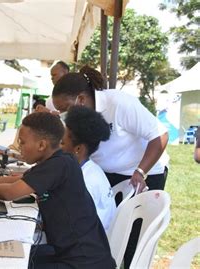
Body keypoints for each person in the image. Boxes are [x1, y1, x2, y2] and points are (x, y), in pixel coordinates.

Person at [0, 112, 115, 269]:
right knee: (18, 256)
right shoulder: (58, 161)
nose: (19, 147)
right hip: (73, 254)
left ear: (41, 145)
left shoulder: (59, 165)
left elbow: (10, 192)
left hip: (83, 262)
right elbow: (17, 179)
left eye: (22, 142)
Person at [51, 65, 169, 268]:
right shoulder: (82, 115)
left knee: (134, 241)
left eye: (64, 110)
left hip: (143, 173)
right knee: (110, 233)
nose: (64, 116)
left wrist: (140, 171)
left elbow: (160, 135)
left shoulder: (119, 103)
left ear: (80, 99)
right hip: (110, 173)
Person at [61, 106, 116, 231]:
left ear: (78, 149)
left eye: (62, 143)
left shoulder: (85, 182)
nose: (58, 147)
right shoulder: (89, 168)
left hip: (87, 244)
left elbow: (71, 227)